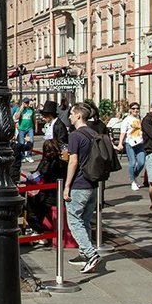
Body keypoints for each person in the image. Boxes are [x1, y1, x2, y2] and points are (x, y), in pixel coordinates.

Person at [63, 102, 100, 273]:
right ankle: (85, 253)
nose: (69, 116)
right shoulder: (93, 133)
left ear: (78, 115)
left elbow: (73, 161)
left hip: (79, 183)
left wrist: (67, 186)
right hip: (93, 183)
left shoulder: (75, 136)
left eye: (71, 113)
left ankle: (91, 254)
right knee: (85, 219)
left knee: (74, 221)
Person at [23, 139, 65, 233]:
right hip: (57, 193)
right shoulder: (62, 163)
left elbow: (39, 176)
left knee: (31, 204)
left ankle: (38, 230)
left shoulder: (47, 163)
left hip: (48, 196)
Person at [117, 100, 145, 191]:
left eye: (137, 108)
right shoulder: (127, 120)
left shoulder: (140, 118)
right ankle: (133, 181)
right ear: (130, 110)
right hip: (130, 143)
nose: (135, 110)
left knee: (141, 162)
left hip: (140, 143)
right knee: (132, 163)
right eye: (133, 108)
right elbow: (123, 132)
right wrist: (120, 143)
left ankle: (133, 176)